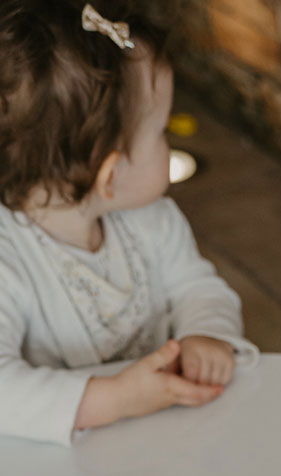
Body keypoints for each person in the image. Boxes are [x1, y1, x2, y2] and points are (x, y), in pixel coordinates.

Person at [0, 2, 257, 446]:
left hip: (161, 439)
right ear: (110, 176)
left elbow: (198, 288)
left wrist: (206, 334)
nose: (169, 143)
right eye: (160, 132)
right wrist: (113, 399)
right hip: (63, 471)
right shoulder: (10, 258)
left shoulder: (153, 220)